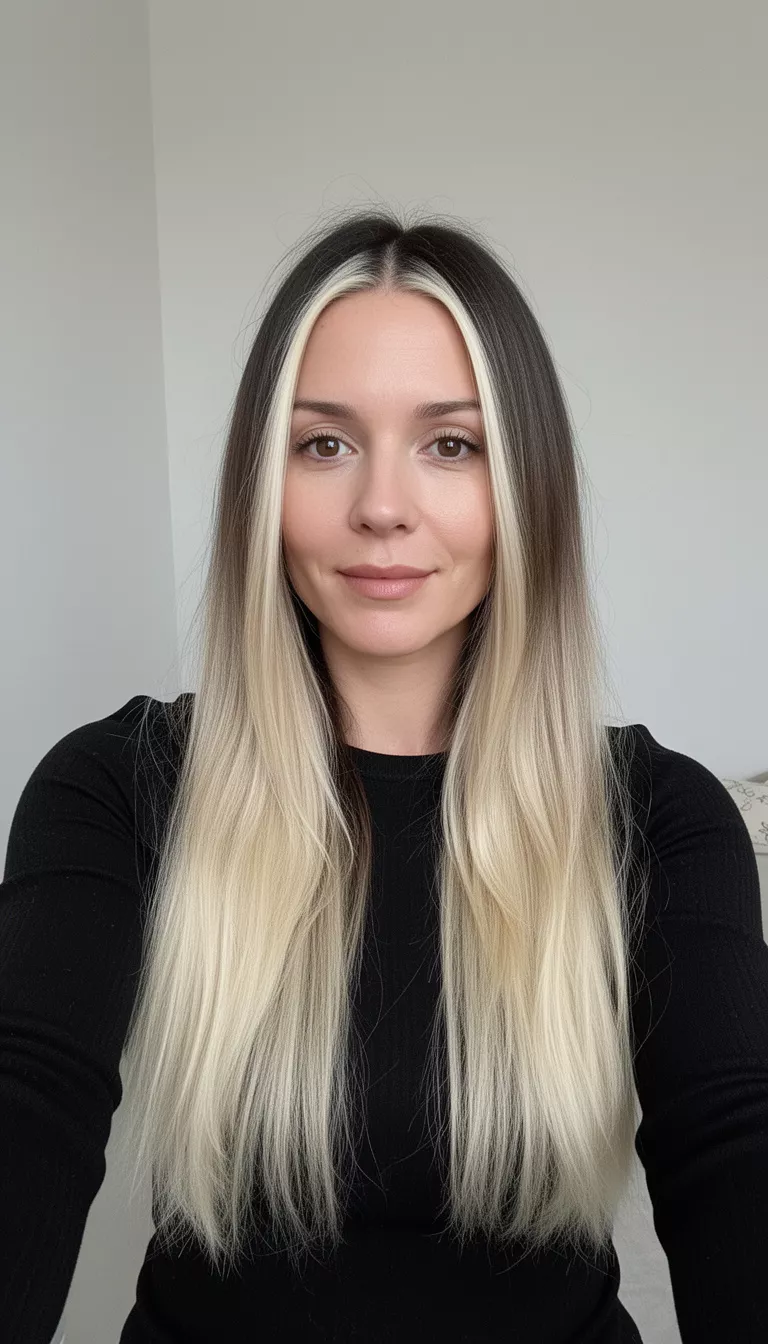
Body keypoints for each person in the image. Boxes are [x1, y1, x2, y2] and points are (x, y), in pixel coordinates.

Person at [1, 209, 766, 1344]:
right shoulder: (117, 787)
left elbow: (737, 1146)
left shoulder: (658, 815)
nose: (382, 506)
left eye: (450, 444)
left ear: (525, 492)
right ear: (262, 488)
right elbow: (25, 1098)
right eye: (326, 443)